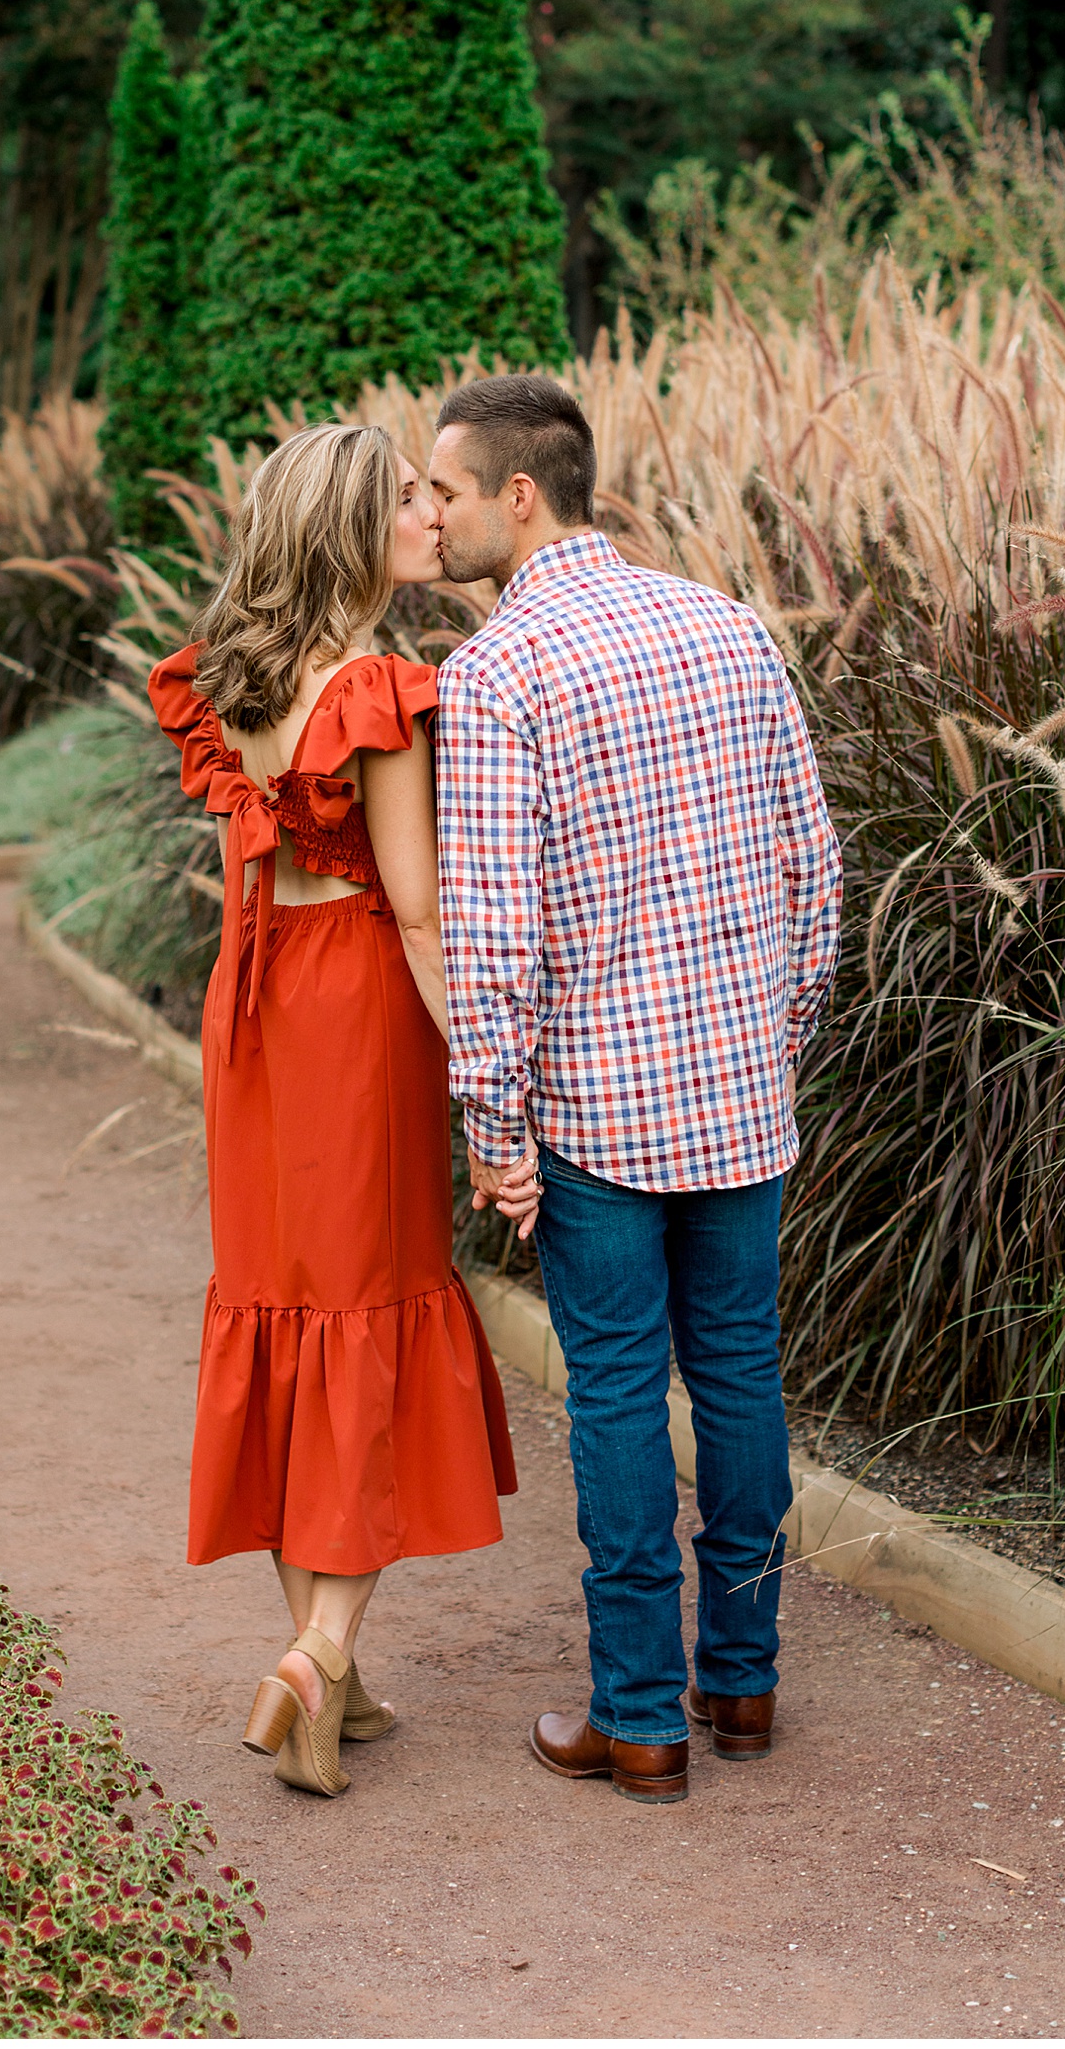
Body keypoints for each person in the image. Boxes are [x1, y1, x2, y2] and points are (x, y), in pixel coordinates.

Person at [429, 374, 842, 1806]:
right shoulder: (730, 628)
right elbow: (815, 871)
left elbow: (495, 931)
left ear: (518, 494)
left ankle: (641, 1716)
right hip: (739, 1096)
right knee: (739, 1372)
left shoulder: (498, 673)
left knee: (614, 1394)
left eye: (447, 492)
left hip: (597, 1117)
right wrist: (769, 1043)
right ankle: (743, 1683)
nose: (434, 517)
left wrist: (495, 1125)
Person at [147, 422, 517, 1799]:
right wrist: (489, 1073)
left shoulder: (230, 677)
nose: (430, 513)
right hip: (357, 1009)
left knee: (282, 1312)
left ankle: (332, 1687)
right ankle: (316, 1653)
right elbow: (416, 912)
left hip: (252, 1006)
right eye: (406, 498)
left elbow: (246, 863)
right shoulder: (378, 689)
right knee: (367, 1307)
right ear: (355, 531)